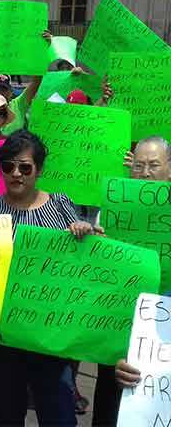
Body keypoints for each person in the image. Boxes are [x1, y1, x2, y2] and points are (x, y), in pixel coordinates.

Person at [0, 130, 96, 426]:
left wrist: (84, 232)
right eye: (8, 166)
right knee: (7, 410)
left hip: (48, 332)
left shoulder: (60, 205)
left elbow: (79, 257)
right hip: (0, 333)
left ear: (38, 170)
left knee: (58, 411)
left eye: (25, 167)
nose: (16, 174)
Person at [98, 135, 171, 426]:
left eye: (154, 165)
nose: (145, 172)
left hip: (163, 325)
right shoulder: (112, 209)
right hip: (118, 321)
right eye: (138, 165)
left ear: (169, 169)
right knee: (110, 401)